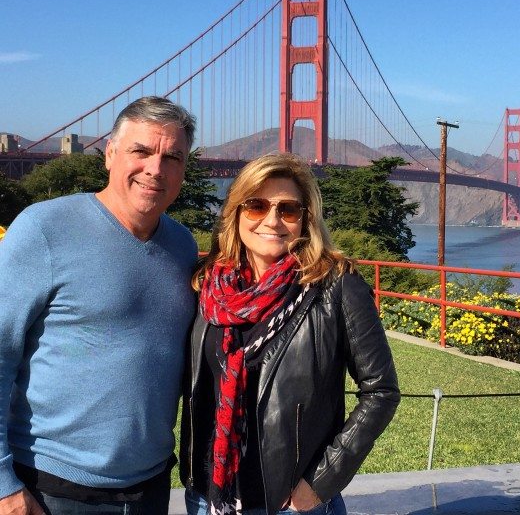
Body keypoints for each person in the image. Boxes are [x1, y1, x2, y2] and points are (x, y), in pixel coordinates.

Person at [0, 96, 198, 514]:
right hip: (51, 490)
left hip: (150, 488)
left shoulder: (183, 246)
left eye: (173, 157)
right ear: (109, 154)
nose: (155, 169)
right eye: (140, 151)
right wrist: (2, 485)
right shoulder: (43, 229)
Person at [180, 153, 400, 515]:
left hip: (290, 506)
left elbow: (381, 392)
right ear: (235, 213)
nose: (272, 220)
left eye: (288, 210)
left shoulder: (336, 286)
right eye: (256, 206)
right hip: (209, 499)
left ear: (305, 219)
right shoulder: (207, 285)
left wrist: (318, 485)